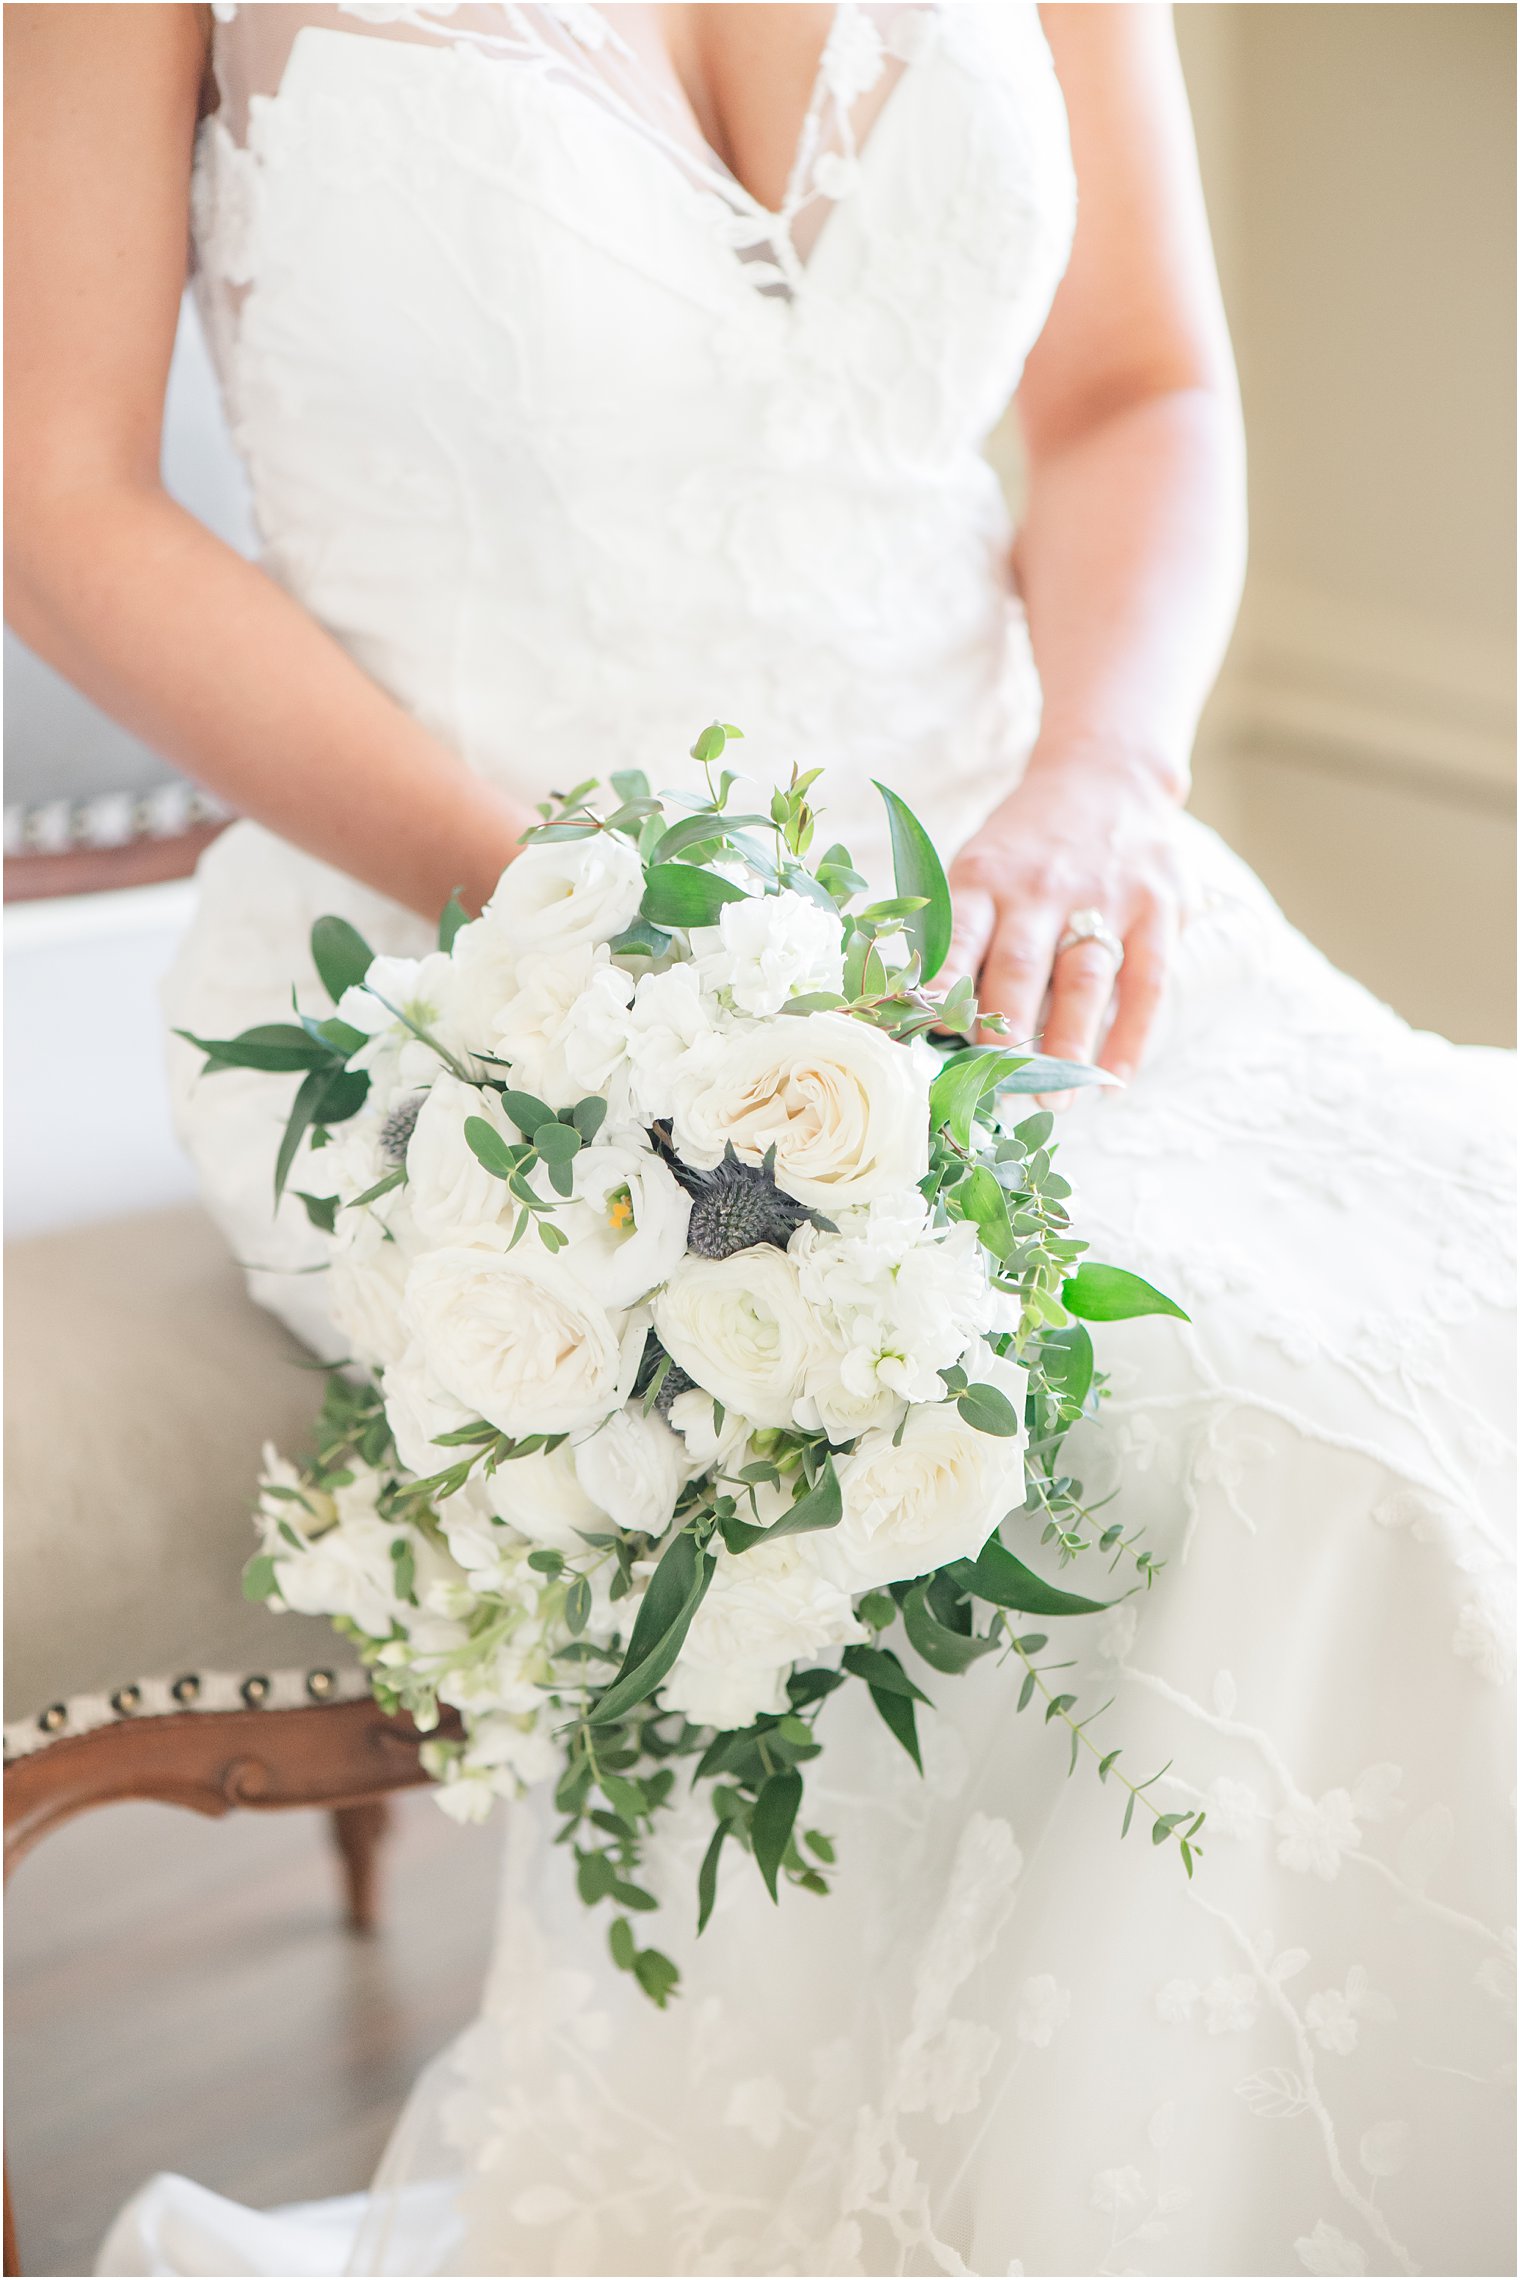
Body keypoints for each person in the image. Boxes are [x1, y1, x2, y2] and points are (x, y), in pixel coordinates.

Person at [7, 6, 1514, 2274]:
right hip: (465, 965)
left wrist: (1104, 776)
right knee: (1206, 1420)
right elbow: (56, 499)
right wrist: (589, 931)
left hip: (1040, 890)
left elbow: (1137, 391)